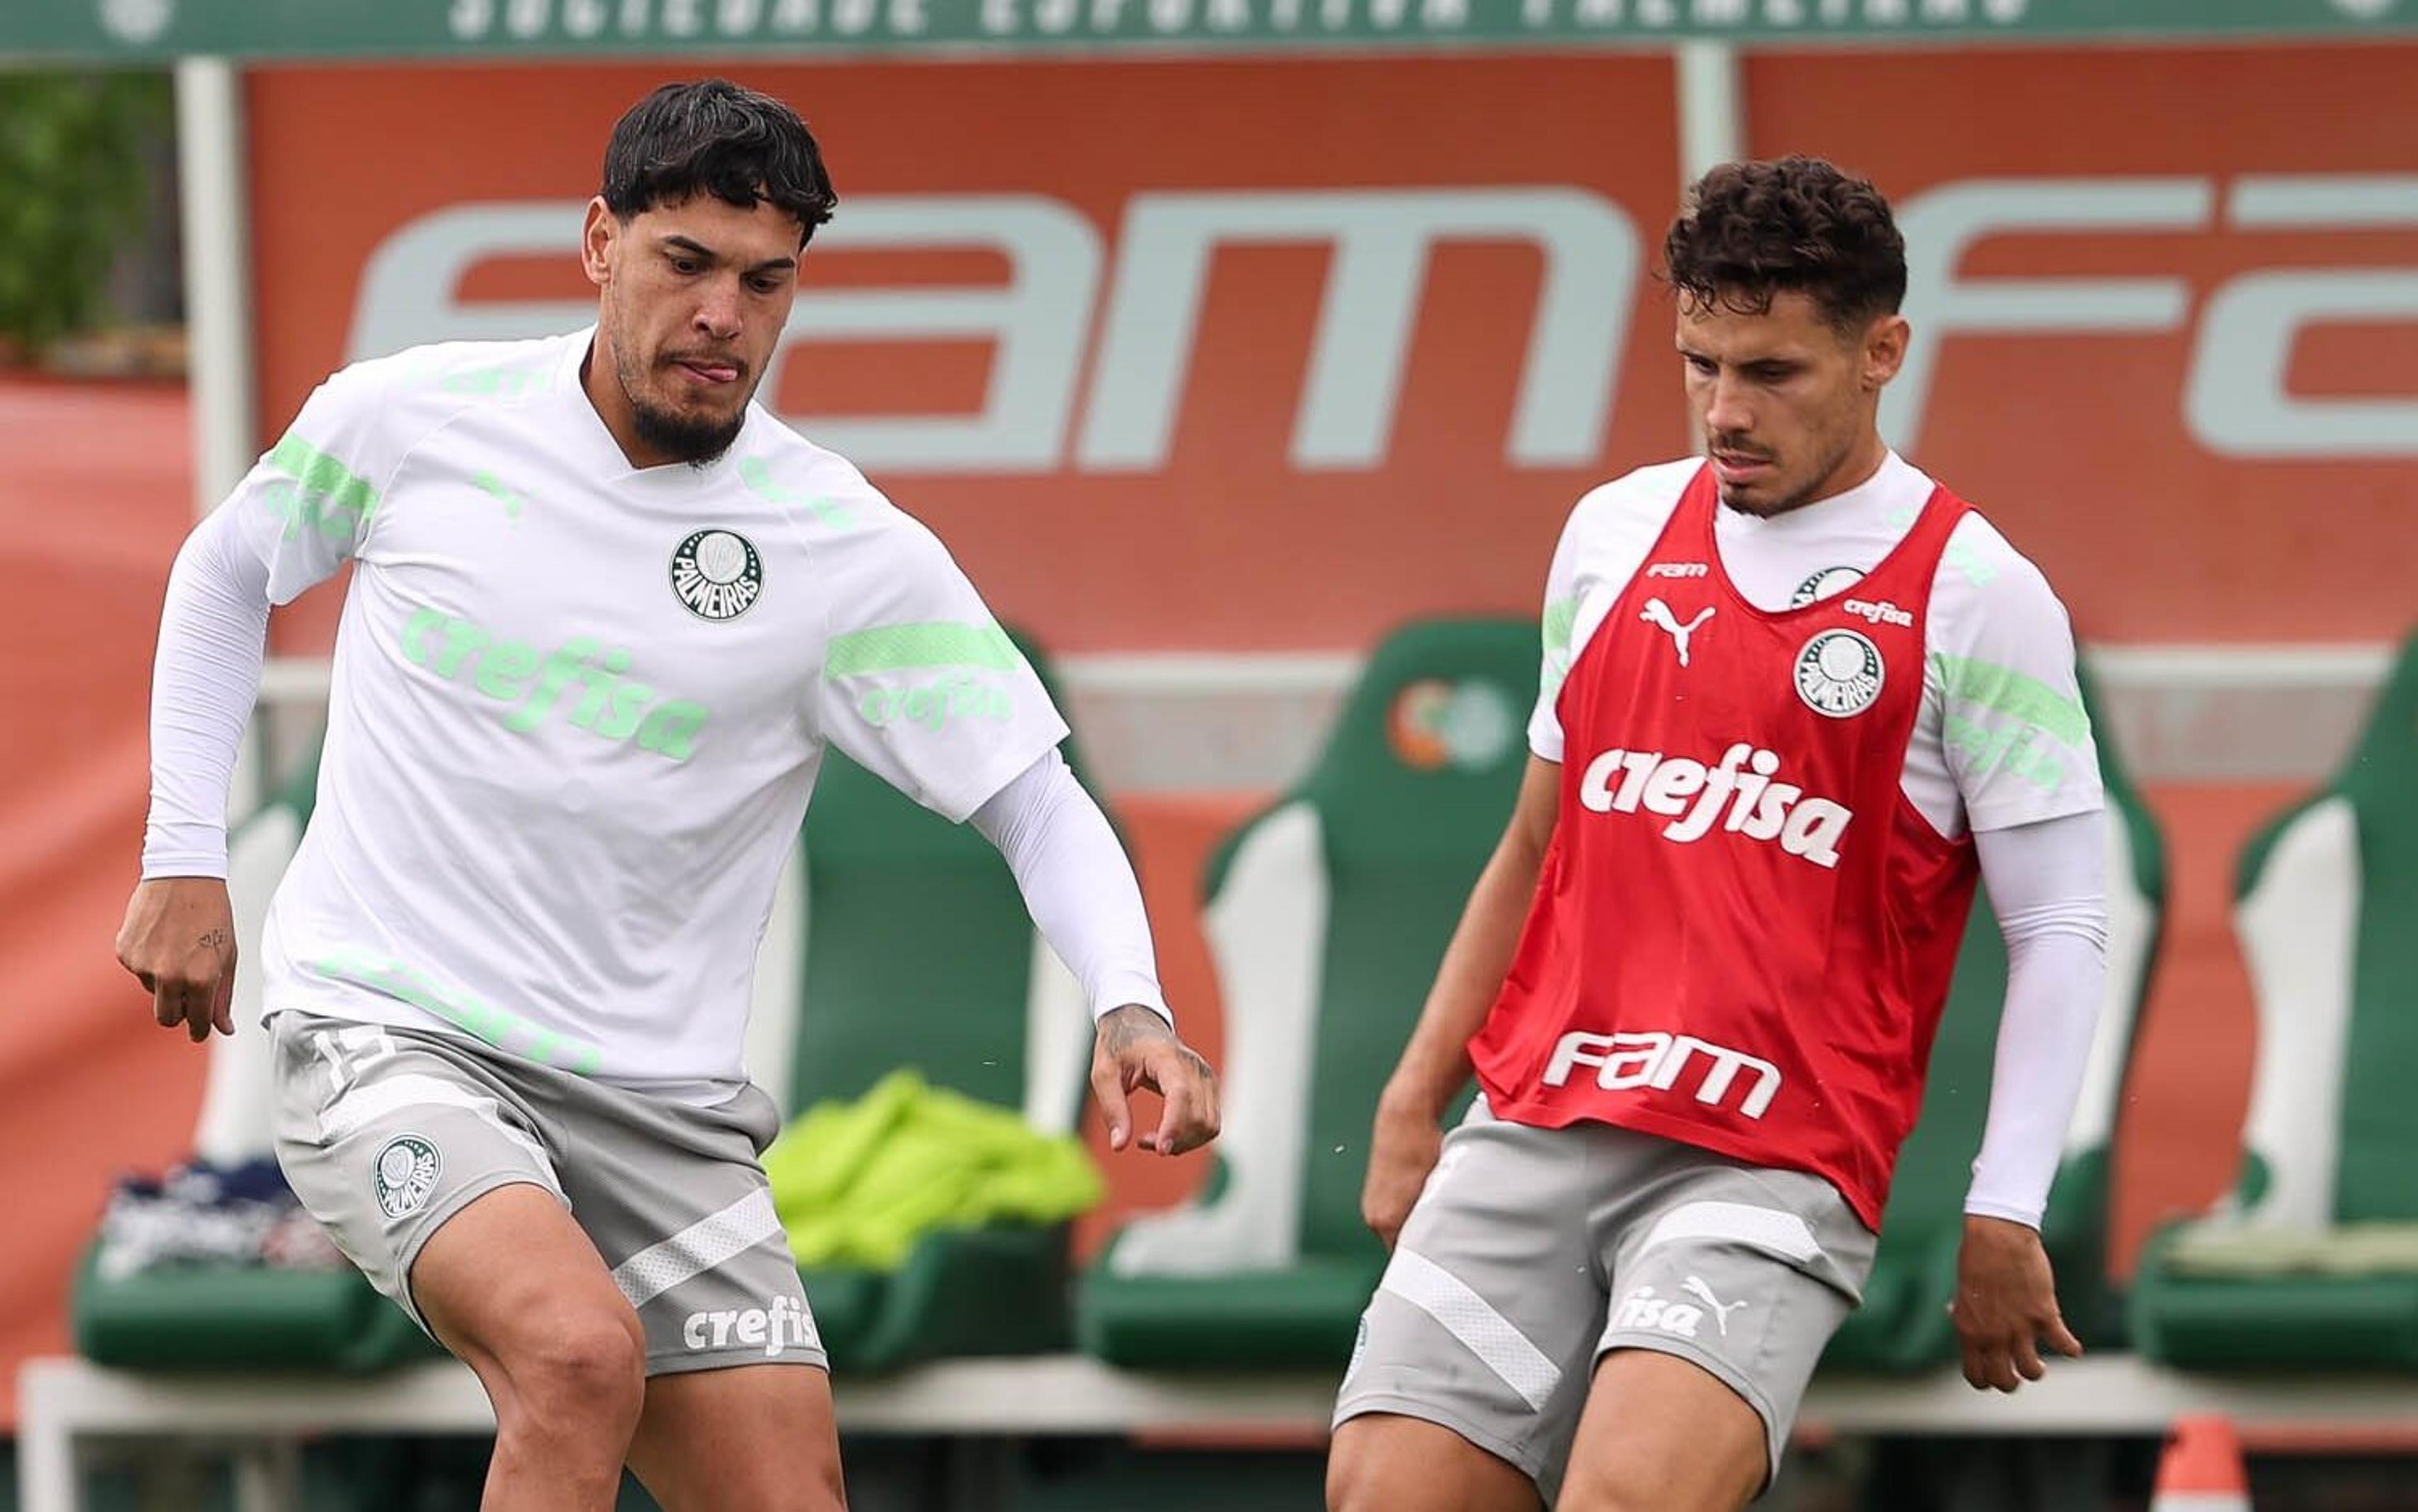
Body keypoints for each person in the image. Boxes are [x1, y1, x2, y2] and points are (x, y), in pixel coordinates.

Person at [115, 78, 1218, 1512]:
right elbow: (223, 574)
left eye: (768, 281)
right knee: (577, 1355)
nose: (724, 315)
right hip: (394, 1034)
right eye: (686, 263)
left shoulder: (842, 543)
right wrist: (184, 852)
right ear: (600, 243)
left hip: (662, 1109)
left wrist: (1132, 1000)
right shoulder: (412, 417)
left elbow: (1036, 798)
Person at [1327, 156, 2109, 1512]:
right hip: (1539, 1118)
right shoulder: (1611, 533)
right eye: (1701, 364)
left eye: (1772, 373)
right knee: (1385, 1494)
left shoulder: (1981, 593)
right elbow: (1534, 844)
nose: (1725, 412)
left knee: (1631, 1497)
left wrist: (2009, 1200)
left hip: (1772, 1156)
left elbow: (2060, 925)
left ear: (1882, 353)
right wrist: (1413, 1095)